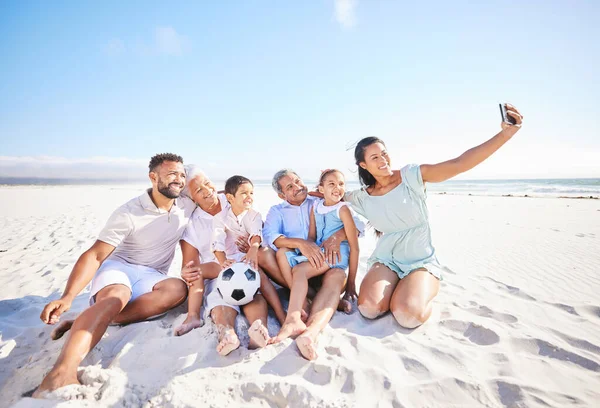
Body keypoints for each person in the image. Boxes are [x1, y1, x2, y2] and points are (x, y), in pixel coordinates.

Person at [347, 104, 524, 329]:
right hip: (386, 260)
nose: (383, 160)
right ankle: (398, 286)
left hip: (419, 261)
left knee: (407, 315)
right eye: (374, 157)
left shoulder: (411, 176)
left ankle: (417, 287)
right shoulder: (362, 197)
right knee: (369, 309)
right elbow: (325, 198)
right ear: (363, 165)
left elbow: (460, 164)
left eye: (384, 153)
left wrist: (505, 134)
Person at [33, 153, 194, 397]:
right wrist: (67, 297)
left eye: (182, 175)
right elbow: (96, 255)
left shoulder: (186, 204)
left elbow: (209, 187)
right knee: (117, 296)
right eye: (172, 174)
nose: (179, 180)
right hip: (120, 267)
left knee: (178, 290)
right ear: (153, 177)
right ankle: (60, 372)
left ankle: (88, 319)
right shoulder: (129, 212)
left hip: (153, 275)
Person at [175, 168, 283, 355]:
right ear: (192, 199)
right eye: (199, 190)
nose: (208, 191)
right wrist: (187, 271)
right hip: (217, 270)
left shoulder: (235, 196)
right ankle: (228, 333)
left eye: (208, 183)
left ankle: (259, 327)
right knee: (219, 297)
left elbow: (258, 229)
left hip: (246, 262)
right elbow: (190, 264)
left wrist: (250, 246)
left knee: (253, 291)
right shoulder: (192, 224)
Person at [262, 169, 364, 360]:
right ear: (281, 195)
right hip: (304, 263)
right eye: (290, 187)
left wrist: (337, 236)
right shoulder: (277, 211)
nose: (298, 187)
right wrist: (301, 244)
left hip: (329, 261)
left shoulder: (318, 201)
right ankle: (303, 305)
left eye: (298, 182)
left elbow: (357, 225)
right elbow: (270, 237)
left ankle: (310, 331)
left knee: (335, 275)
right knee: (280, 253)